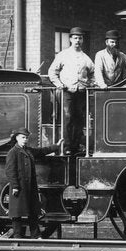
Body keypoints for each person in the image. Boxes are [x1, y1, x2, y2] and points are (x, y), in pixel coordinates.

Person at [47, 27, 93, 155]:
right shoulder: (63, 55)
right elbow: (52, 72)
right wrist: (59, 84)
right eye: (75, 38)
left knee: (79, 119)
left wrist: (88, 84)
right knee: (68, 117)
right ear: (71, 39)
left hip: (81, 93)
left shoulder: (86, 58)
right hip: (67, 92)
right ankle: (66, 147)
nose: (78, 40)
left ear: (82, 40)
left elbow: (93, 73)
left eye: (80, 38)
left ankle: (76, 146)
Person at [4, 128, 56, 238]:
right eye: (23, 137)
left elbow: (42, 151)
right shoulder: (13, 152)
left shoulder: (29, 150)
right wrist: (15, 186)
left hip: (30, 187)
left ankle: (35, 235)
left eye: (26, 137)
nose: (25, 140)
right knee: (17, 213)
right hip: (19, 187)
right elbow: (10, 171)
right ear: (17, 138)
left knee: (33, 212)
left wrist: (56, 146)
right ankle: (17, 235)